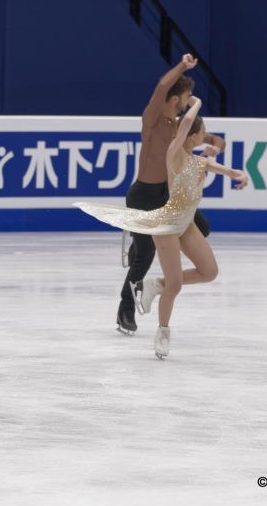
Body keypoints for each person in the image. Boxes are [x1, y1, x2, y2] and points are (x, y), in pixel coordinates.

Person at [75, 96, 249, 358]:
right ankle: (163, 331)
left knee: (209, 271)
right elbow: (186, 122)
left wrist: (240, 174)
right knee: (176, 286)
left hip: (186, 225)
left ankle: (155, 284)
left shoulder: (200, 161)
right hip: (167, 226)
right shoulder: (174, 154)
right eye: (202, 133)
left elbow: (225, 169)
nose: (205, 136)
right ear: (191, 135)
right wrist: (197, 103)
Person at [113, 54, 225, 336]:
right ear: (176, 98)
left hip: (168, 196)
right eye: (188, 96)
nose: (190, 101)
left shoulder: (177, 126)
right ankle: (126, 308)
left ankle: (142, 247)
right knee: (146, 255)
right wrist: (183, 67)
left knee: (202, 227)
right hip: (144, 196)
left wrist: (214, 142)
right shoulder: (152, 118)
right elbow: (162, 86)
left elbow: (201, 136)